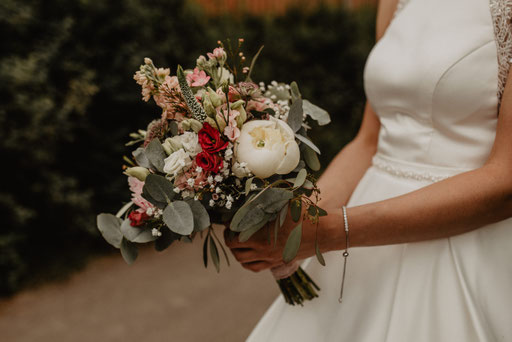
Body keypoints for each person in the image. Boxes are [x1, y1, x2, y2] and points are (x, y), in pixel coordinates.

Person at [224, 0, 512, 340]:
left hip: (466, 240)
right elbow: (369, 142)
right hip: (364, 238)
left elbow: (505, 179)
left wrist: (330, 232)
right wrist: (295, 221)